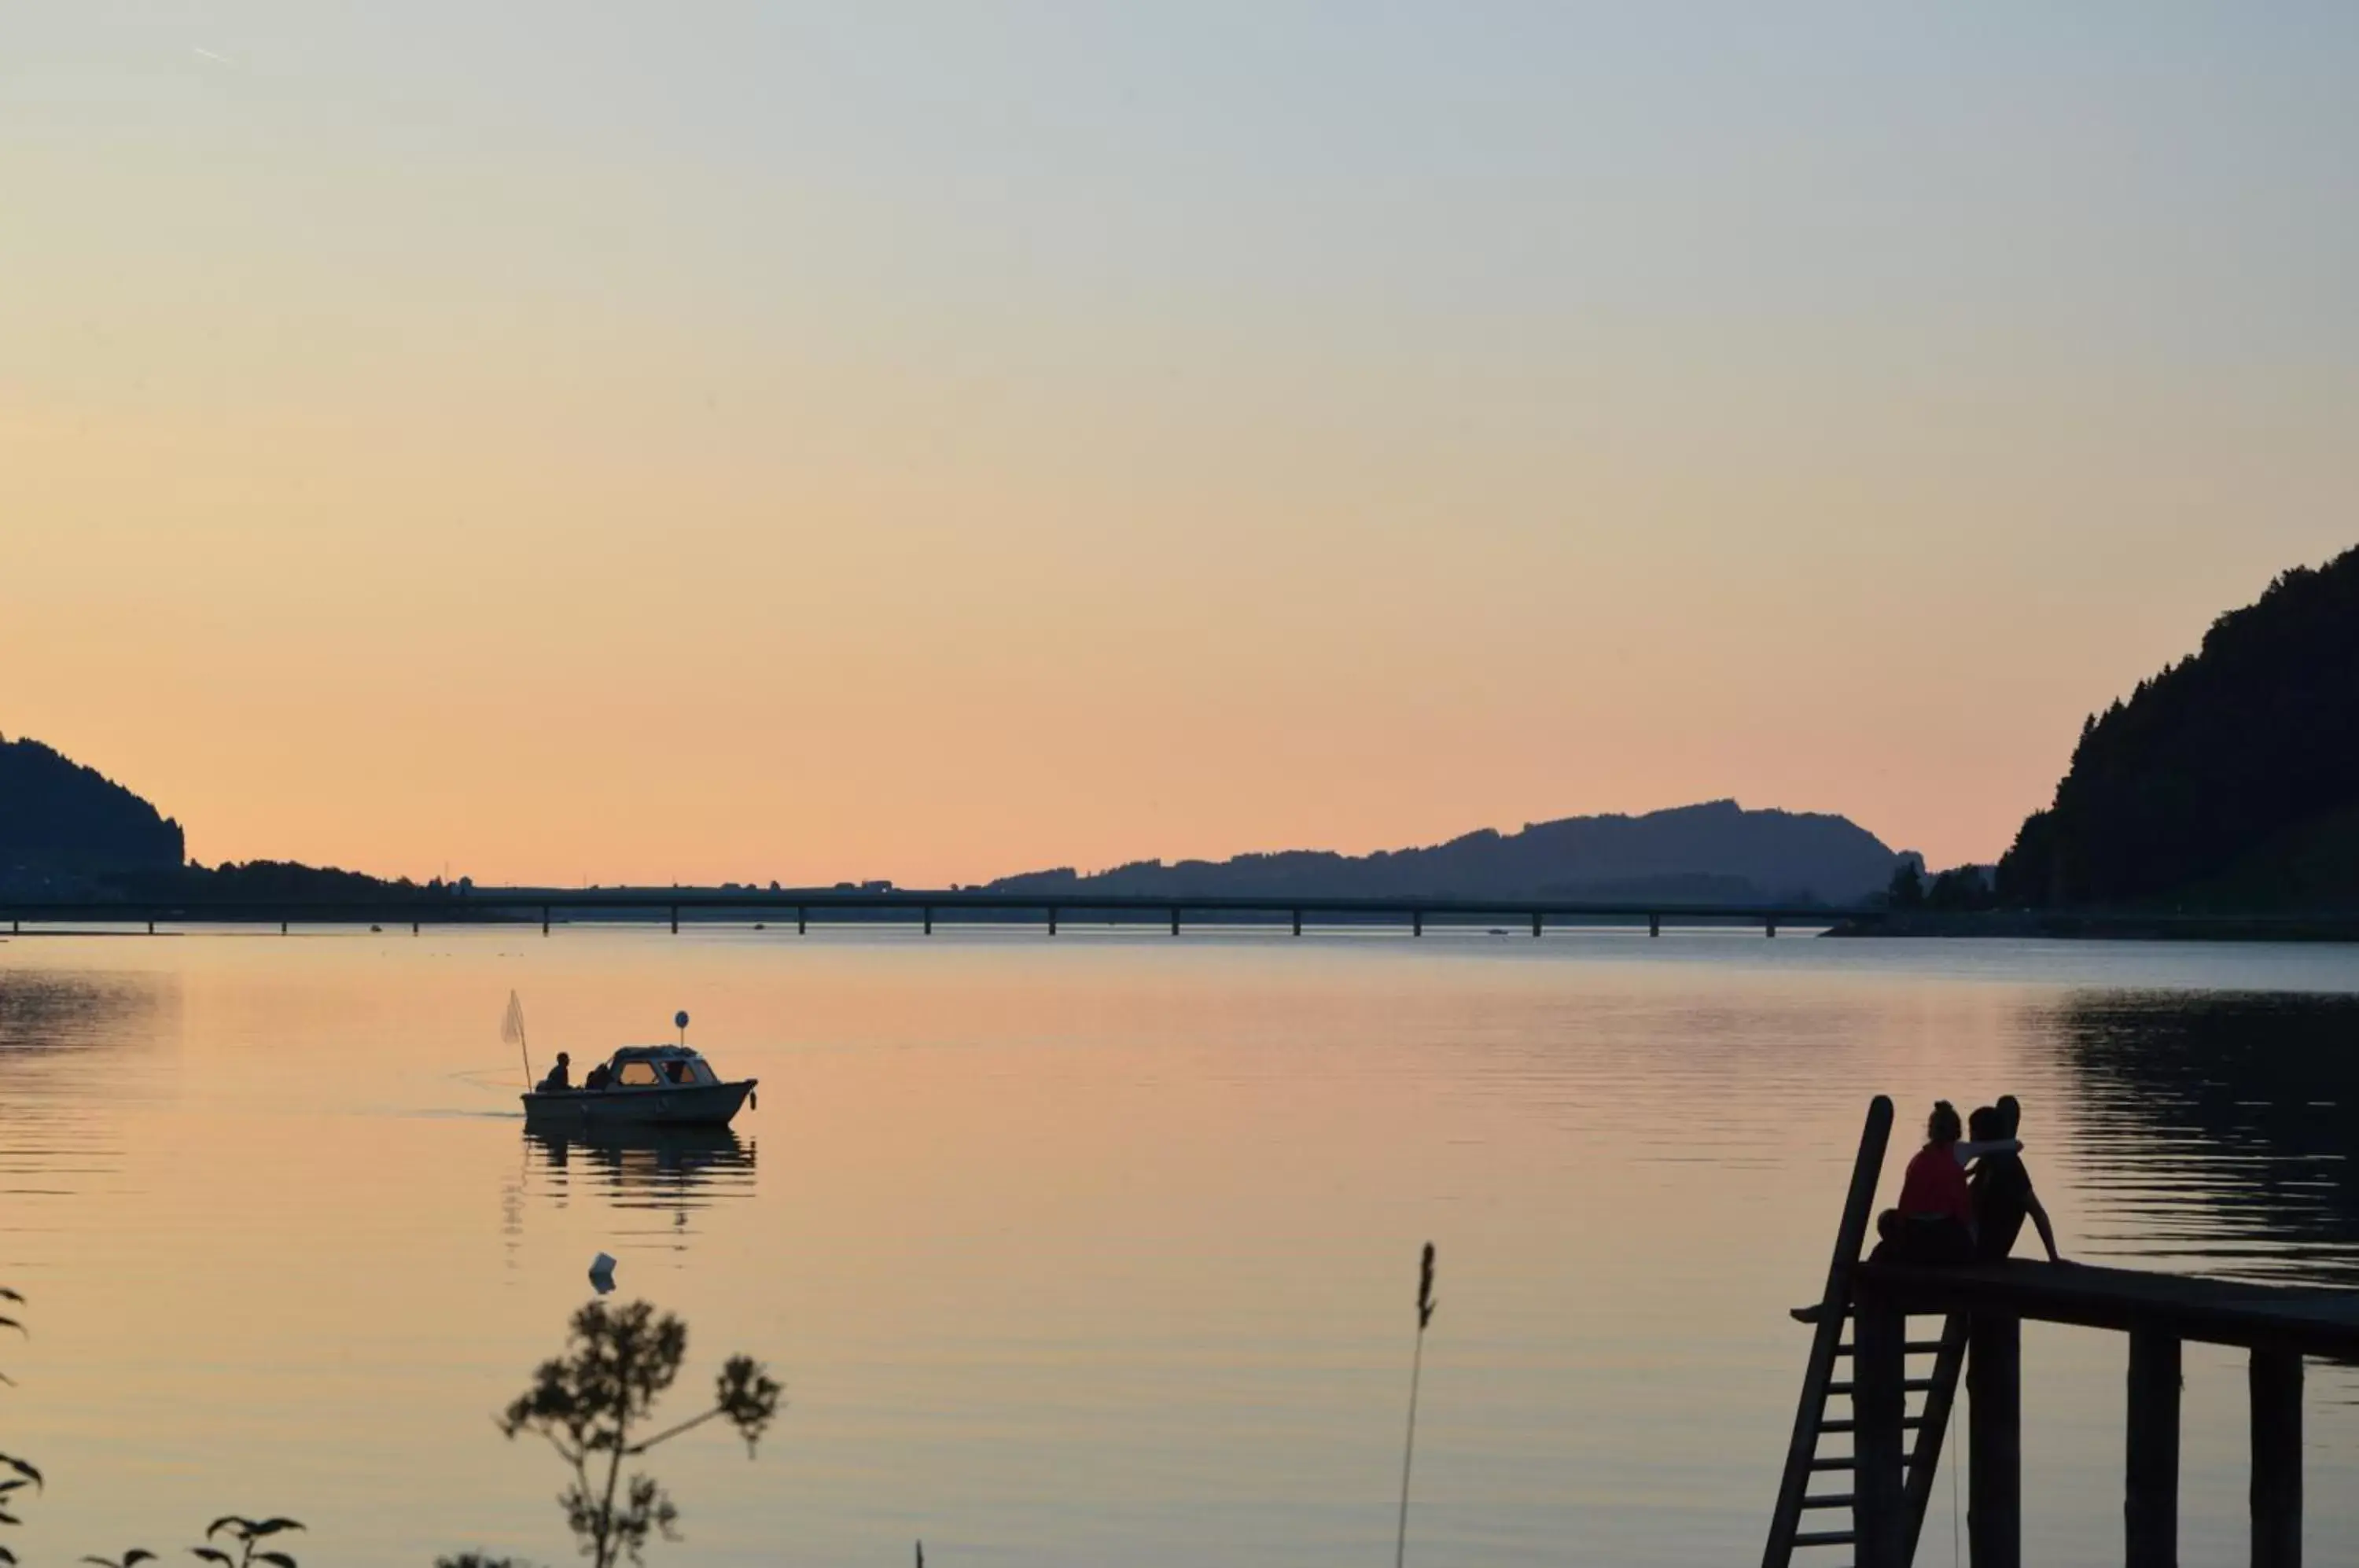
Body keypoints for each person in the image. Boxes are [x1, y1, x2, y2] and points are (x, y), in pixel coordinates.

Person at [1971, 1098, 2063, 1263]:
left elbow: (2038, 1213)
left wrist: (2054, 1257)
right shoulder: (1989, 1162)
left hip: (1986, 1248)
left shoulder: (2008, 1167)